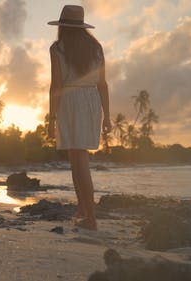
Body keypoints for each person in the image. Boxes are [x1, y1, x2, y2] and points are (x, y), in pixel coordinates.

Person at [47, 5, 111, 230]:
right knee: (76, 158)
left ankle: (91, 218)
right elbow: (102, 84)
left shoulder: (58, 48)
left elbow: (56, 84)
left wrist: (51, 119)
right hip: (92, 99)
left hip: (70, 99)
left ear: (62, 26)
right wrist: (108, 116)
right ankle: (83, 209)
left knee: (78, 158)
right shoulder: (96, 47)